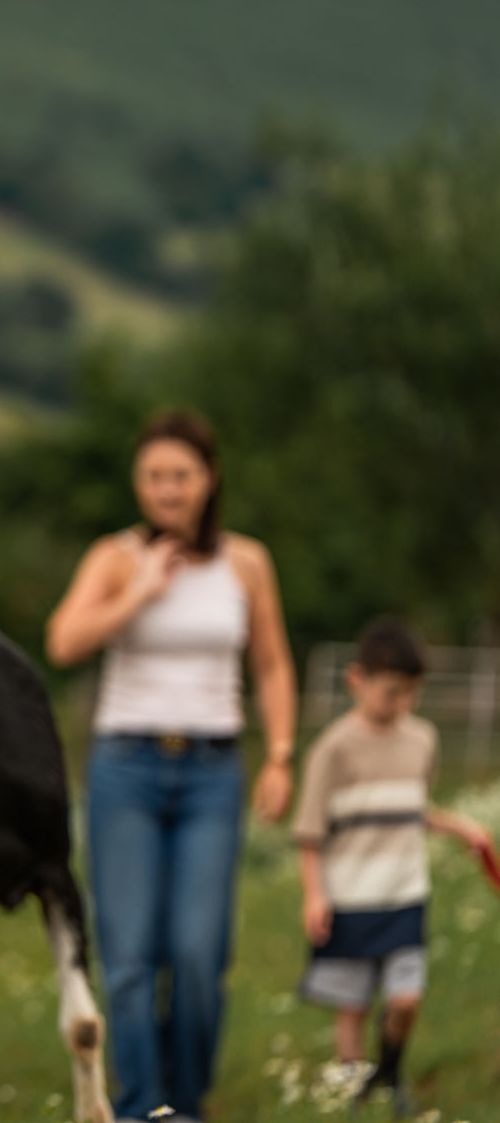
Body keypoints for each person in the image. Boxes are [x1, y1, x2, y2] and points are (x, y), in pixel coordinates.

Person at [45, 410, 298, 1123]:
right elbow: (63, 641)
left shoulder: (246, 562)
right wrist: (140, 593)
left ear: (208, 480)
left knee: (195, 953)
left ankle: (184, 1103)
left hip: (213, 770)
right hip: (126, 766)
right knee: (127, 954)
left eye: (181, 476)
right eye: (155, 476)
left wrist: (280, 754)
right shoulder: (116, 556)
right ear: (139, 483)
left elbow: (273, 664)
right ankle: (138, 1106)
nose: (167, 489)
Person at [294, 617, 490, 1116]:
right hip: (351, 898)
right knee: (353, 1006)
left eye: (410, 694)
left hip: (405, 895)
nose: (401, 705)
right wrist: (314, 894)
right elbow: (310, 831)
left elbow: (410, 808)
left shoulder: (422, 739)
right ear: (356, 680)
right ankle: (354, 1092)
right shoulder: (332, 750)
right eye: (390, 693)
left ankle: (391, 1073)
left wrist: (461, 826)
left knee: (405, 999)